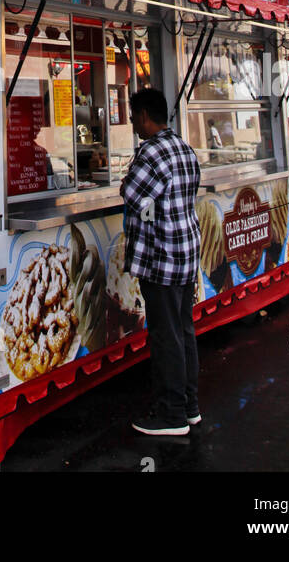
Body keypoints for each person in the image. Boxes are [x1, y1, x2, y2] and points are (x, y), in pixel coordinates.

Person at [120, 86, 201, 437]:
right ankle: (189, 405)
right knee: (183, 331)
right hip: (185, 252)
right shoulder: (183, 147)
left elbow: (131, 193)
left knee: (166, 336)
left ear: (143, 116)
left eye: (132, 114)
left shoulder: (151, 152)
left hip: (161, 257)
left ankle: (171, 416)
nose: (131, 121)